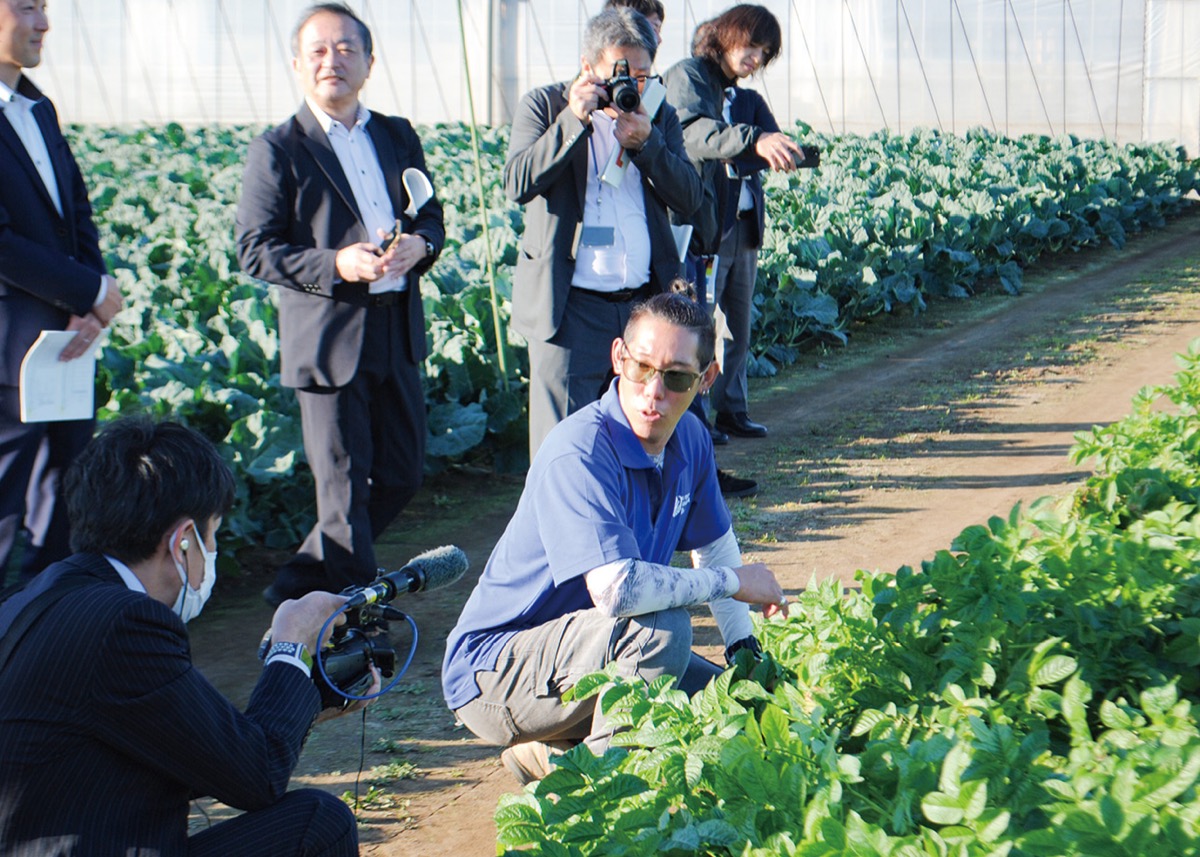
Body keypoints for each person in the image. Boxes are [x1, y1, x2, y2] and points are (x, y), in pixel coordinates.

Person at [442, 284, 787, 785]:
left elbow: (713, 547)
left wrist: (744, 655)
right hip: (497, 673)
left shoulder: (689, 438)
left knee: (736, 717)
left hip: (596, 648)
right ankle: (599, 798)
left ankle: (552, 757)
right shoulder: (579, 451)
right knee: (658, 629)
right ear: (618, 357)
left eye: (675, 377)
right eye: (642, 368)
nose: (653, 392)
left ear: (706, 378)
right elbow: (618, 589)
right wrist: (734, 582)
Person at [0, 418, 361, 855]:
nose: (212, 549)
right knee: (317, 823)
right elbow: (257, 775)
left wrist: (307, 705)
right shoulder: (124, 622)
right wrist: (292, 645)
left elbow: (159, 746)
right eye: (213, 533)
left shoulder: (39, 594)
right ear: (184, 541)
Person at [236, 2, 444, 606]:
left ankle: (299, 582)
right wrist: (336, 265)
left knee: (403, 474)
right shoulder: (278, 148)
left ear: (369, 62)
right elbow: (255, 250)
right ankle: (356, 615)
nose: (334, 60)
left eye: (347, 48)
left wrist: (419, 244)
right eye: (320, 50)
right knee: (344, 490)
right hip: (328, 339)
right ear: (298, 64)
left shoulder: (397, 134)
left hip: (395, 328)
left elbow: (429, 213)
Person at [505, 7, 702, 461]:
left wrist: (648, 145)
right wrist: (573, 121)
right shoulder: (546, 105)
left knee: (641, 436)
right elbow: (517, 181)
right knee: (564, 447)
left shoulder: (658, 114)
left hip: (642, 306)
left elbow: (690, 197)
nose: (631, 85)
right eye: (621, 72)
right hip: (570, 307)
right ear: (588, 66)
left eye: (643, 75)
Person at [0, 0, 124, 585]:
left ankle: (49, 641)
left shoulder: (38, 106)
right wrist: (90, 287)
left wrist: (89, 301)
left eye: (45, 8)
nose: (44, 24)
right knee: (5, 517)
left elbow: (75, 213)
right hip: (8, 355)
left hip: (64, 347)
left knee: (70, 508)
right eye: (27, 8)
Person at [664, 5, 805, 494]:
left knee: (721, 331)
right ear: (727, 36)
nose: (756, 59)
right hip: (691, 228)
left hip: (723, 224)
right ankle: (695, 462)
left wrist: (763, 144)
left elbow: (759, 139)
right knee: (693, 339)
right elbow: (693, 134)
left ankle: (705, 451)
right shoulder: (688, 75)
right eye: (753, 46)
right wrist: (753, 141)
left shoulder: (733, 93)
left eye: (764, 54)